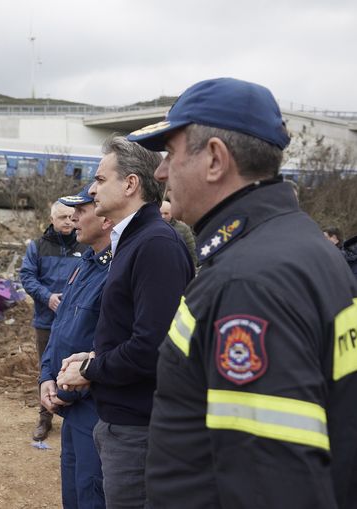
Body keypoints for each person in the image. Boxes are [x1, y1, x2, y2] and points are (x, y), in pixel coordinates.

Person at [126, 77, 357, 508]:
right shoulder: (302, 244)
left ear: (215, 159)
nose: (160, 172)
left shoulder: (246, 282)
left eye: (171, 154)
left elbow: (272, 486)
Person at [56, 137, 194, 509]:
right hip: (121, 418)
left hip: (138, 426)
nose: (91, 188)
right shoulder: (134, 241)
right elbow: (135, 329)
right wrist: (94, 355)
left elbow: (154, 348)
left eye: (100, 179)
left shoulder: (154, 245)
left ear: (130, 184)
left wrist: (91, 367)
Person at [39, 184, 113, 509]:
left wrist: (65, 391)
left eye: (82, 211)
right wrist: (45, 377)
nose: (73, 218)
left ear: (106, 219)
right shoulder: (85, 263)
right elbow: (60, 329)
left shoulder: (116, 270)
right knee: (72, 492)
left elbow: (105, 345)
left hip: (91, 407)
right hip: (68, 402)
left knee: (91, 494)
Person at [20, 201, 86, 441]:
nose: (68, 221)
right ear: (52, 219)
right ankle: (44, 417)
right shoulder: (37, 246)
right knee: (45, 368)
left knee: (78, 367)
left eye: (71, 217)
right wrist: (47, 298)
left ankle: (75, 417)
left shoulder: (86, 244)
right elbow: (27, 276)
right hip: (46, 319)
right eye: (62, 218)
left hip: (78, 320)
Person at [160, 199, 198, 266]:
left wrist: (191, 271)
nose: (163, 216)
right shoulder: (152, 227)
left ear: (171, 213)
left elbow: (192, 252)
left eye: (166, 213)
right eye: (161, 213)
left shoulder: (184, 229)